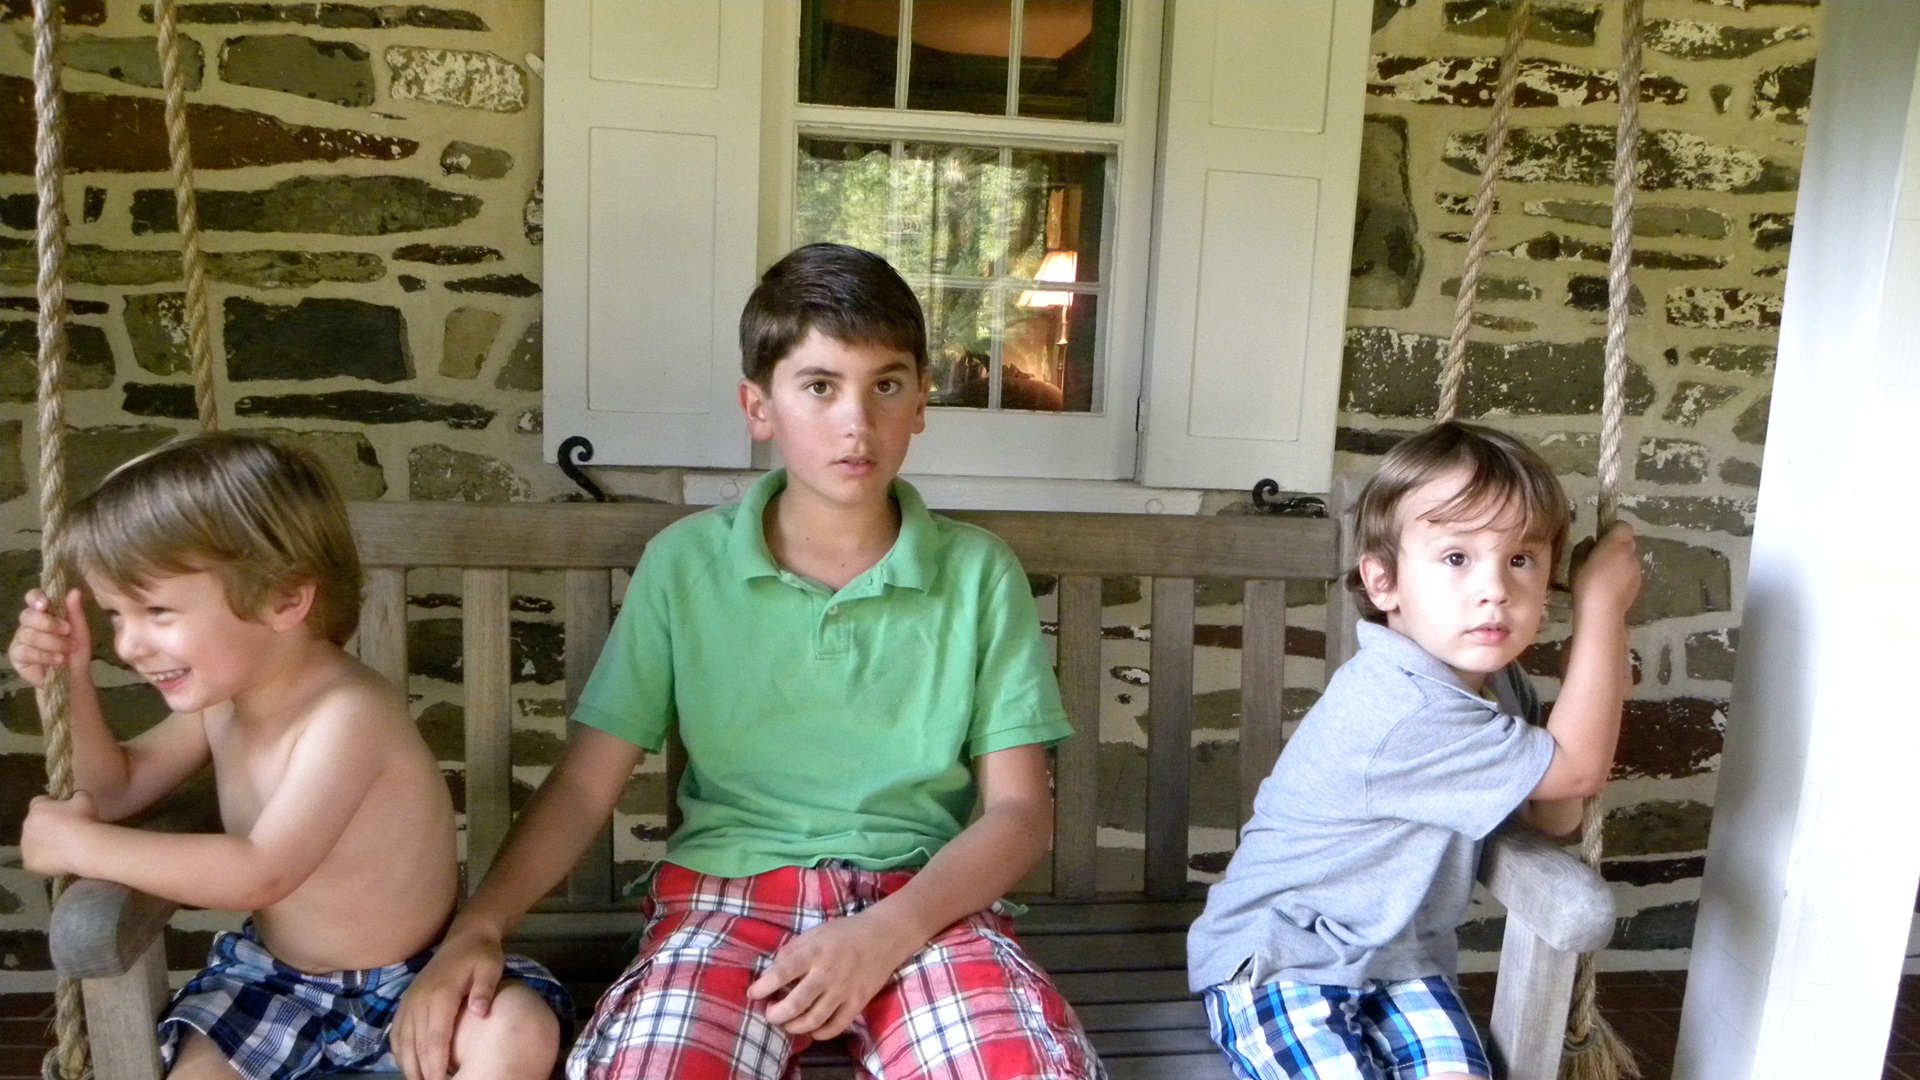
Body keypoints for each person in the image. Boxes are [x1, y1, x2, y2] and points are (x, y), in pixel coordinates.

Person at [393, 243, 1103, 1080]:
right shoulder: (686, 565)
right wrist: (481, 926)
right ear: (758, 405)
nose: (855, 421)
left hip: (924, 905)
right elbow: (588, 782)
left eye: (887, 384)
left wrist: (888, 930)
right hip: (727, 903)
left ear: (920, 403)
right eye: (819, 386)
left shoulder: (978, 573)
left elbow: (1017, 815)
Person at [10, 432, 568, 1080]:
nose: (129, 644)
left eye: (157, 611)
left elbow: (261, 871)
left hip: (418, 978)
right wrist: (69, 681)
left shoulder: (350, 714)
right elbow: (114, 789)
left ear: (285, 600)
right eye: (115, 615)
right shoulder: (225, 700)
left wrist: (78, 846)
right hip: (272, 983)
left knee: (517, 1033)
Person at [1186, 421, 1641, 1080]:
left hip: (1403, 962)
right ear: (1383, 582)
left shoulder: (1499, 685)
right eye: (1456, 558)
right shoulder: (1406, 705)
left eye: (1520, 559)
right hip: (1284, 959)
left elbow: (1555, 815)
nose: (1495, 589)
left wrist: (1599, 672)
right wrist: (1602, 609)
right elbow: (1576, 769)